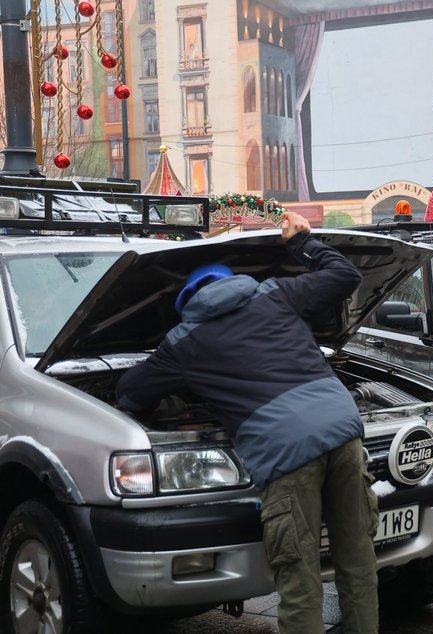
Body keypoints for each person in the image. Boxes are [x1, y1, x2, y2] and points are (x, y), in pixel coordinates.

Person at [115, 211, 379, 633]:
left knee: (299, 574)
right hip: (343, 429)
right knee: (357, 557)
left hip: (286, 452)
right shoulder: (275, 294)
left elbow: (128, 393)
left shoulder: (183, 342)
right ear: (231, 280)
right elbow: (345, 275)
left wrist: (171, 393)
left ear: (186, 305)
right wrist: (301, 243)